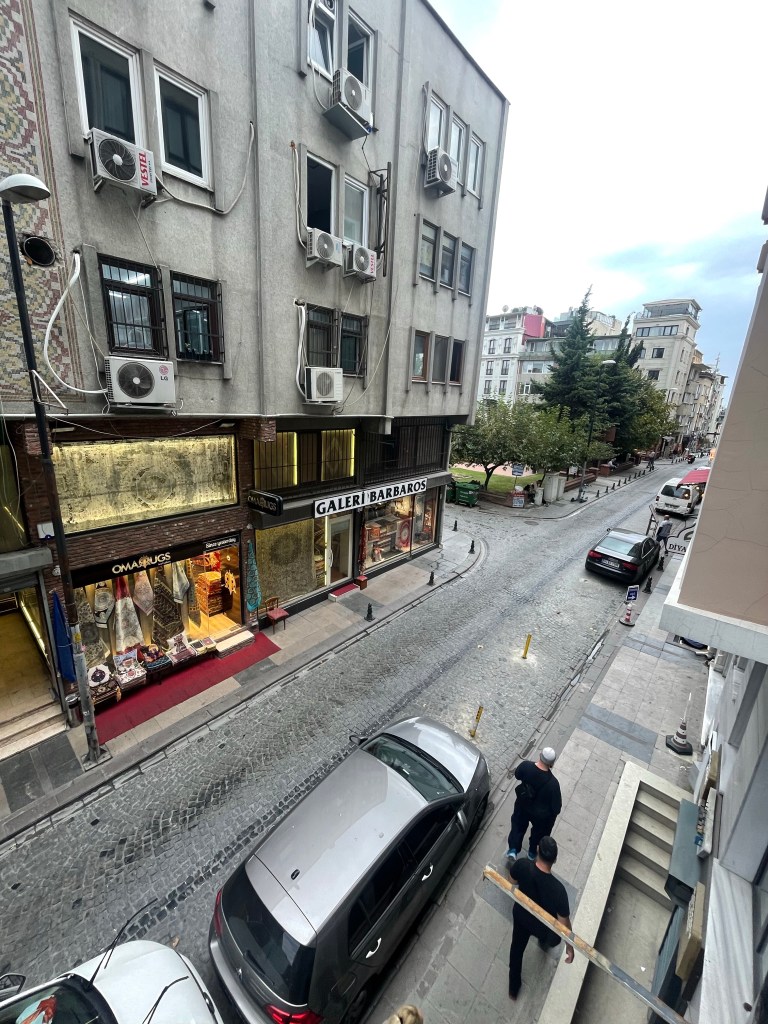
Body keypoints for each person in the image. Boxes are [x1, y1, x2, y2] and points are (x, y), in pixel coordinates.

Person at [507, 835, 574, 1000]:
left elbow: (511, 881)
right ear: (555, 860)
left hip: (522, 917)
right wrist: (570, 947)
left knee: (516, 950)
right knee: (552, 939)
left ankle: (513, 989)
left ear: (537, 849)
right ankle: (544, 942)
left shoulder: (522, 865)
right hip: (542, 927)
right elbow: (563, 924)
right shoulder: (559, 891)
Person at [506, 747, 562, 861]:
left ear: (540, 755)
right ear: (552, 763)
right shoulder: (553, 784)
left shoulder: (526, 766)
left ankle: (513, 850)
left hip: (523, 805)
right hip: (540, 815)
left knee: (518, 825)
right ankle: (532, 853)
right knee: (538, 833)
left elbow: (517, 774)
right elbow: (556, 808)